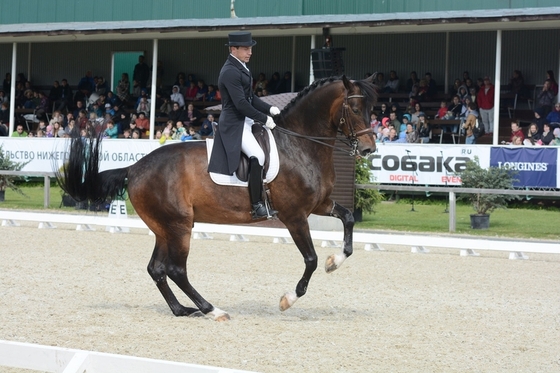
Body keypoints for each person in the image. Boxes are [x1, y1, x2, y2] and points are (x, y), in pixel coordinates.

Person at [207, 31, 279, 219]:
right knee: (258, 155)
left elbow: (251, 98)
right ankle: (256, 205)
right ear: (234, 49)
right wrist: (264, 119)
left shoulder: (242, 67)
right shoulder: (230, 71)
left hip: (245, 119)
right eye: (246, 49)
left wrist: (269, 108)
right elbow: (241, 104)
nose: (250, 52)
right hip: (234, 123)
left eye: (250, 48)